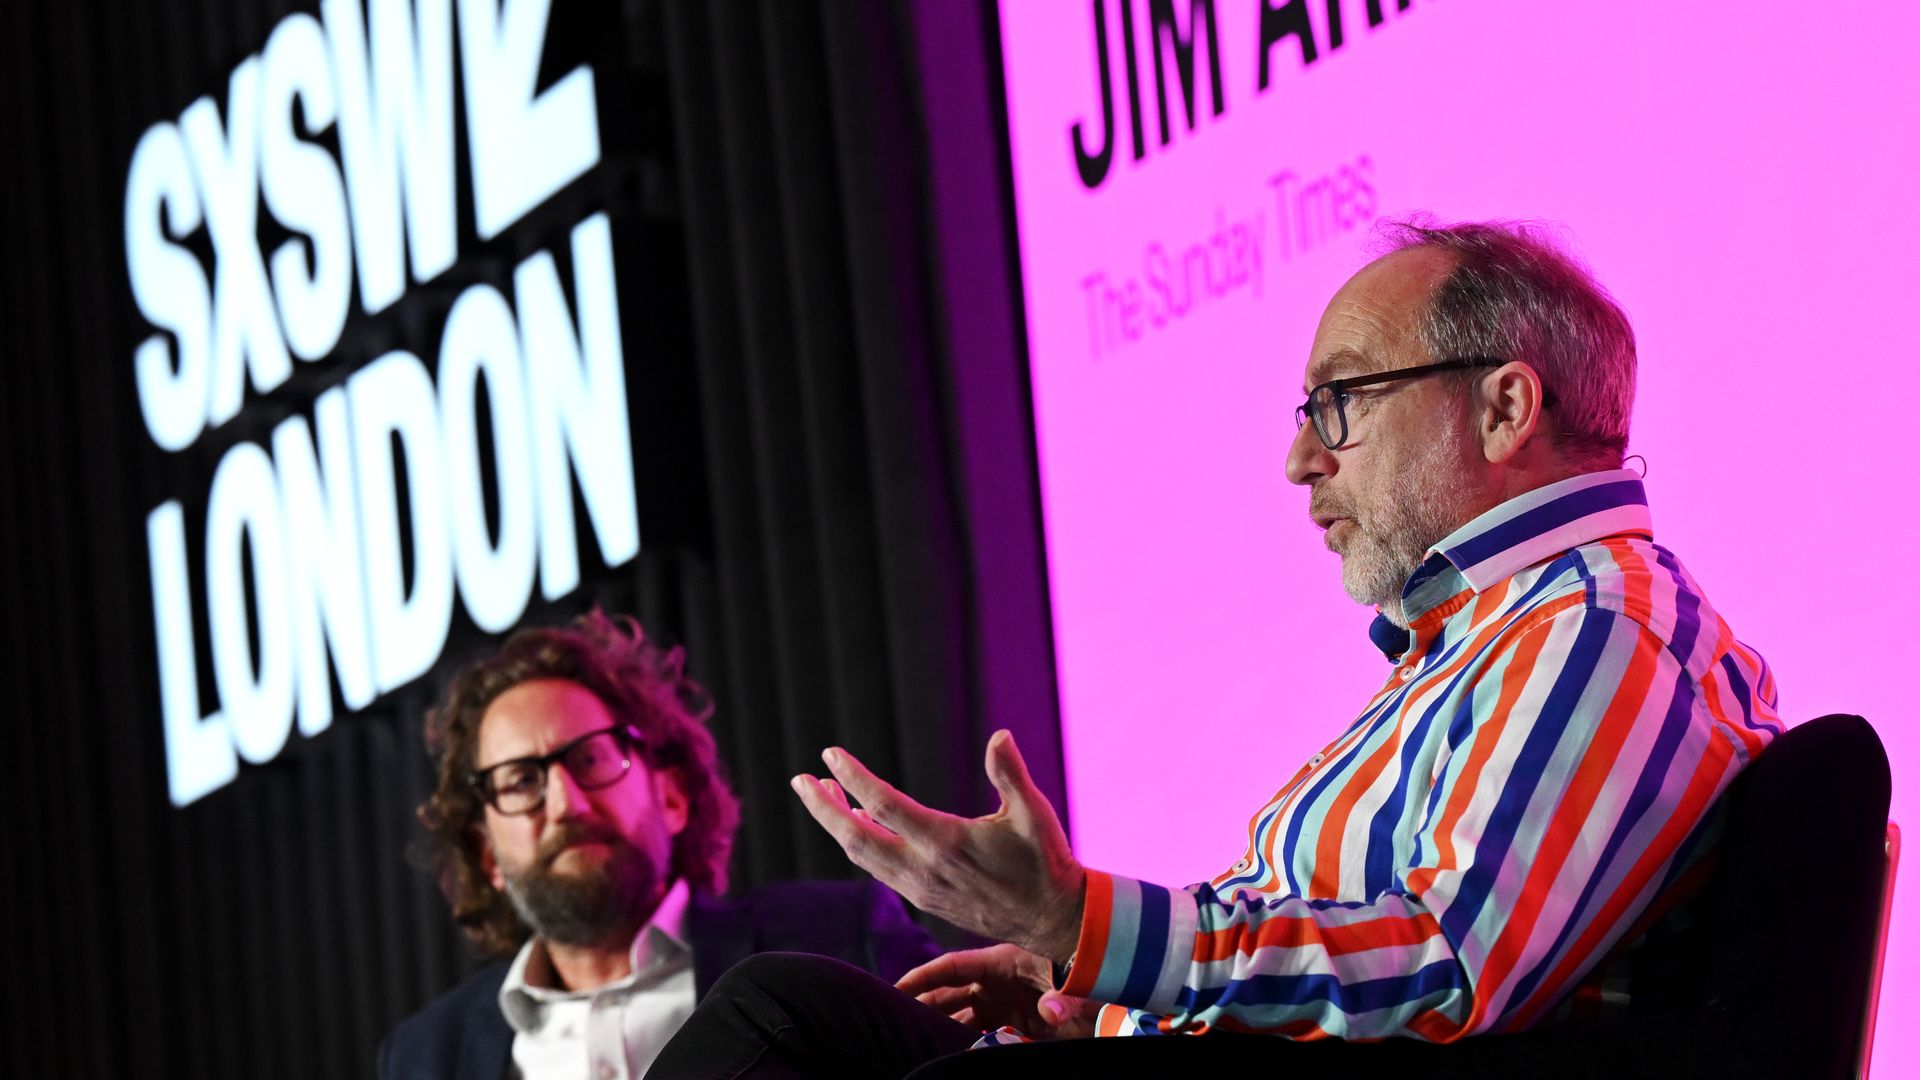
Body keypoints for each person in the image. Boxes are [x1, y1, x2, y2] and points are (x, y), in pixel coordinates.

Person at [643, 220, 1783, 1077]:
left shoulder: (1599, 630)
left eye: (1338, 403)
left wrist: (1083, 923)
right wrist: (1089, 984)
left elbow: (1446, 970)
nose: (1301, 462)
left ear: (1503, 407)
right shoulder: (1484, 646)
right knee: (789, 1017)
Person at [378, 611, 940, 1080]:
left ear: (671, 796)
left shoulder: (841, 938)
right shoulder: (423, 1059)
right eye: (521, 780)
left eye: (590, 758)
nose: (565, 802)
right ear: (486, 857)